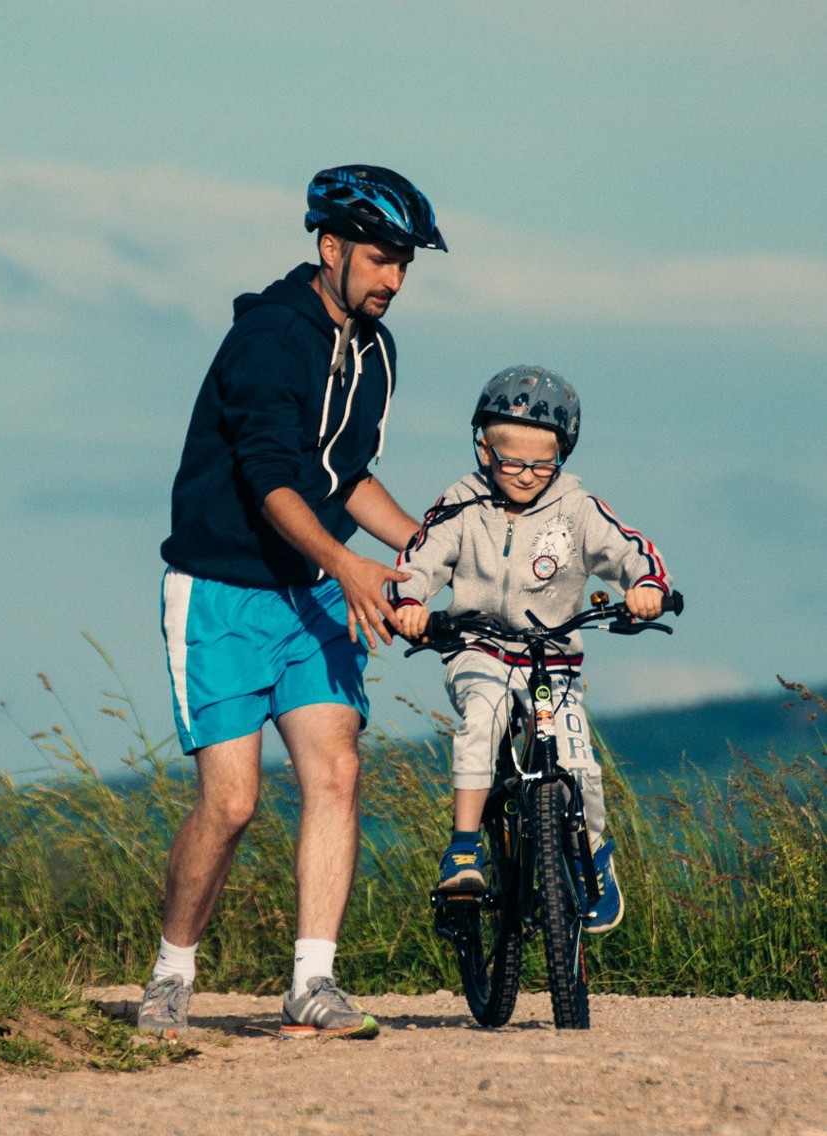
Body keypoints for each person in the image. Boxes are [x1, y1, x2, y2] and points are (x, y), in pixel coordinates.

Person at [138, 165, 447, 1041]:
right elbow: (271, 479)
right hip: (222, 592)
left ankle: (313, 983)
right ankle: (171, 972)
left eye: (405, 265)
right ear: (331, 248)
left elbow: (341, 479)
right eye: (382, 259)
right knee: (231, 803)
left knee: (335, 769)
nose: (393, 278)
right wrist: (349, 569)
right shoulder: (269, 339)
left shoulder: (376, 352)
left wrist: (427, 547)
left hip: (310, 590)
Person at [391, 365, 673, 932]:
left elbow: (629, 551)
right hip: (478, 648)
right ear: (483, 447)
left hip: (551, 658)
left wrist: (645, 588)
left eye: (542, 462)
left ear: (563, 454)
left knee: (576, 760)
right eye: (509, 460)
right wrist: (409, 603)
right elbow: (419, 560)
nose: (525, 474)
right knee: (483, 718)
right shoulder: (461, 502)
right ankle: (465, 849)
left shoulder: (576, 507)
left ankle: (590, 855)